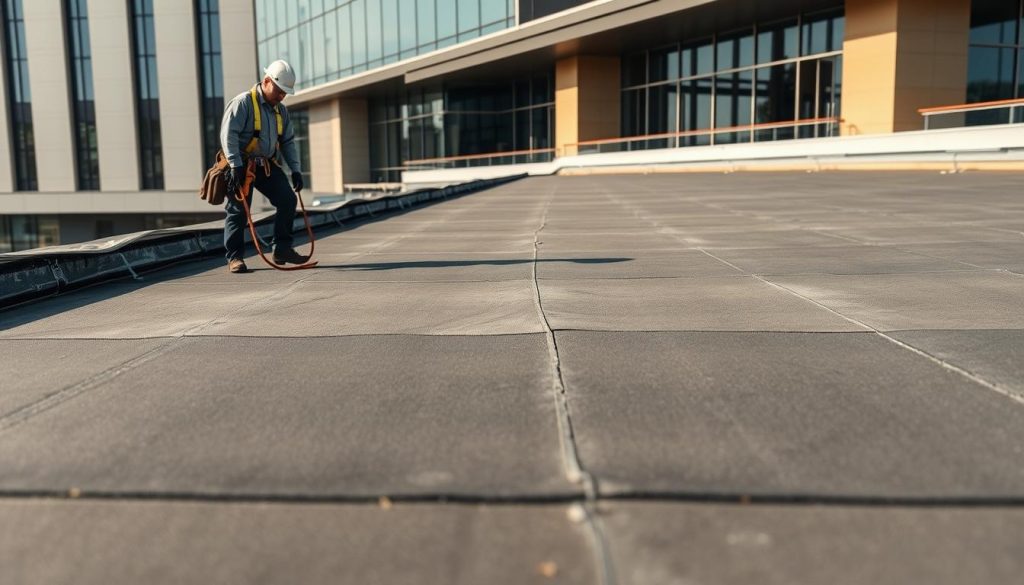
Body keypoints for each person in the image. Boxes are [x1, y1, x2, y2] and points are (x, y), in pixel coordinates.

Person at [220, 59, 308, 273]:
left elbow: (287, 142)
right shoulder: (243, 103)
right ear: (267, 81)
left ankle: (282, 249)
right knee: (238, 211)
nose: (282, 96)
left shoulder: (281, 111)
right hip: (241, 164)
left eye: (285, 93)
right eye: (279, 91)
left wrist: (295, 169)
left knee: (287, 199)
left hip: (265, 165)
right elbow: (228, 134)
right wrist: (235, 165)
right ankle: (235, 258)